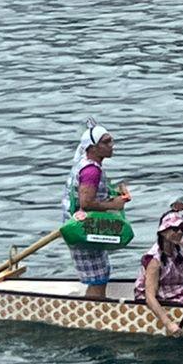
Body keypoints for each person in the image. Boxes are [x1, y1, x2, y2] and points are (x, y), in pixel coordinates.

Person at [64, 121, 126, 301]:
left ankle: (96, 305)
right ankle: (94, 310)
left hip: (82, 224)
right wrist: (113, 205)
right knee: (98, 275)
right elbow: (86, 202)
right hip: (82, 227)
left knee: (100, 270)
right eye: (106, 142)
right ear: (93, 148)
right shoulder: (91, 170)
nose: (111, 146)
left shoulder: (86, 163)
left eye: (111, 141)